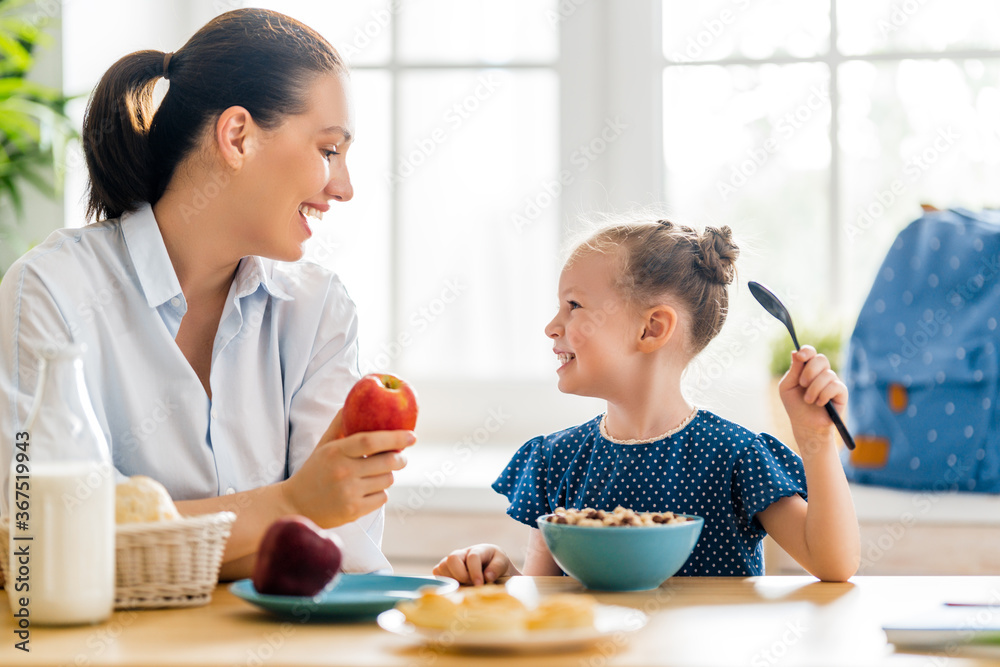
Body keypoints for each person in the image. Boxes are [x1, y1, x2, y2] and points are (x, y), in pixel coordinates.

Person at [0, 9, 413, 579]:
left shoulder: (319, 310)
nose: (343, 187)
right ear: (237, 136)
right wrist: (290, 503)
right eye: (328, 150)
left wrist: (150, 536)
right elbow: (49, 537)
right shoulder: (52, 290)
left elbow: (337, 547)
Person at [433, 220, 860, 583]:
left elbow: (833, 564)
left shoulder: (735, 457)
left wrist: (815, 439)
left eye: (573, 306)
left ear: (652, 328)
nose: (551, 326)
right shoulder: (554, 461)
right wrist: (501, 577)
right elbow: (542, 600)